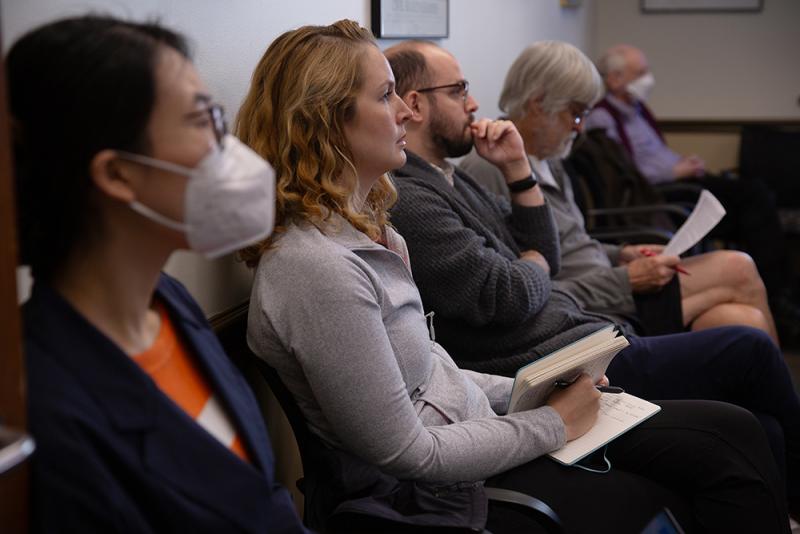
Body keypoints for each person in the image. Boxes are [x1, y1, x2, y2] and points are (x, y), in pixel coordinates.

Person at [237, 19, 792, 532]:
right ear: (324, 119)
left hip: (491, 436)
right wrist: (551, 422)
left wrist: (544, 391)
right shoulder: (316, 269)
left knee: (738, 430)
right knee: (721, 450)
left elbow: (438, 376)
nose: (406, 113)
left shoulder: (372, 233)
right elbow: (408, 454)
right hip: (446, 492)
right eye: (385, 96)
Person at [384, 40, 800, 514]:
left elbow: (547, 256)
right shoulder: (413, 196)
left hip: (581, 337)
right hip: (557, 363)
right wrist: (536, 260)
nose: (474, 102)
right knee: (750, 349)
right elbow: (509, 292)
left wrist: (520, 173)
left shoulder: (451, 176)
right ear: (416, 104)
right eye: (459, 90)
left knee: (759, 415)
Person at [9, 15, 307, 532]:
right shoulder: (50, 403)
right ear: (117, 174)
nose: (229, 147)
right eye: (203, 122)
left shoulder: (168, 302)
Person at [460, 40, 778, 343]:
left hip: (613, 288)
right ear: (539, 104)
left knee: (740, 319)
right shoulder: (494, 168)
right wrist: (628, 279)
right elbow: (525, 286)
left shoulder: (548, 157)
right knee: (738, 266)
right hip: (595, 306)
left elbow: (570, 244)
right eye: (576, 113)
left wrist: (621, 253)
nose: (580, 127)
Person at [586, 44, 799, 339]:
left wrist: (681, 162)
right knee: (751, 198)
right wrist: (676, 171)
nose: (648, 79)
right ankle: (778, 297)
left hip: (678, 181)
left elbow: (655, 155)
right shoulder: (602, 119)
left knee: (754, 200)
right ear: (614, 79)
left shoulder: (636, 111)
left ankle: (779, 294)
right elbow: (627, 176)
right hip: (661, 193)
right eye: (640, 73)